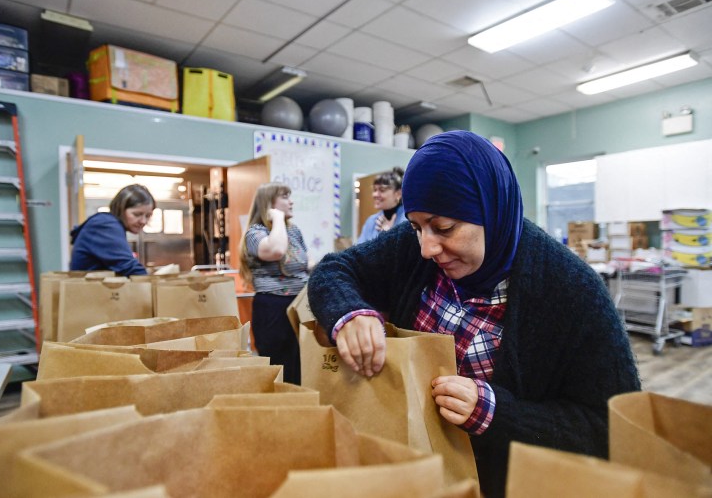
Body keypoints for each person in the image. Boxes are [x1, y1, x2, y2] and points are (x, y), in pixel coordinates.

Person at [307, 131, 640, 498]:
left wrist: (496, 413)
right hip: (404, 469)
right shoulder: (413, 247)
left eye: (445, 228)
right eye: (417, 227)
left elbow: (610, 429)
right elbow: (334, 270)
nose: (427, 247)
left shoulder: (574, 292)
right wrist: (351, 312)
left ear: (491, 211)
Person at [239, 182, 309, 385]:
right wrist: (277, 217)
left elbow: (303, 264)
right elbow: (276, 250)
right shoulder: (255, 232)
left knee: (300, 367)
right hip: (273, 308)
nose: (291, 201)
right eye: (285, 197)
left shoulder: (293, 231)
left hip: (299, 306)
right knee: (279, 367)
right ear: (268, 203)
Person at [70, 184, 154, 276]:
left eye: (148, 215)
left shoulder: (109, 224)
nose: (143, 221)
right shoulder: (105, 225)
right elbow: (129, 267)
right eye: (137, 214)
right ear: (120, 209)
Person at [357, 167, 407, 243]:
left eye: (382, 190)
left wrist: (389, 236)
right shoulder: (371, 221)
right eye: (374, 190)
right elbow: (359, 251)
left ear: (398, 193)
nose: (375, 194)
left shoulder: (409, 220)